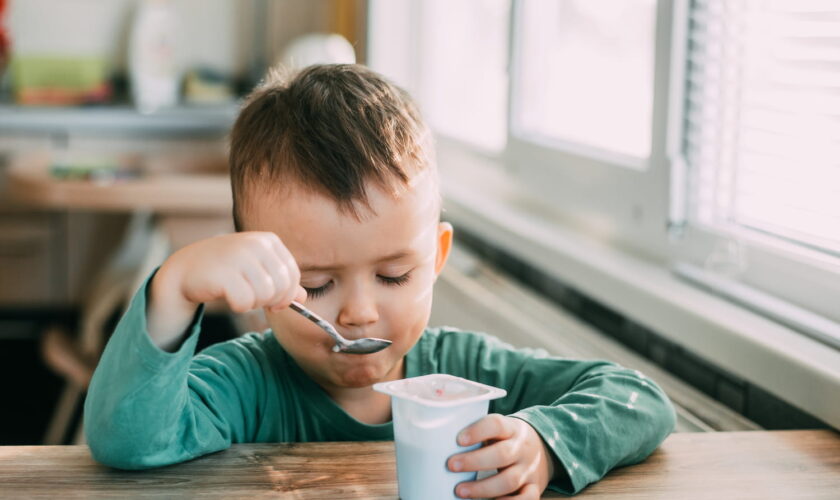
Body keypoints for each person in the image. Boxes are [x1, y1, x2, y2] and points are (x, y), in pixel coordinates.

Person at [85, 64, 675, 498]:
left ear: (437, 255)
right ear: (257, 274)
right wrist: (175, 288)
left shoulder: (472, 375)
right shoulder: (247, 384)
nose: (360, 313)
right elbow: (126, 442)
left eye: (395, 275)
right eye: (315, 285)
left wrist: (543, 443)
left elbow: (638, 401)